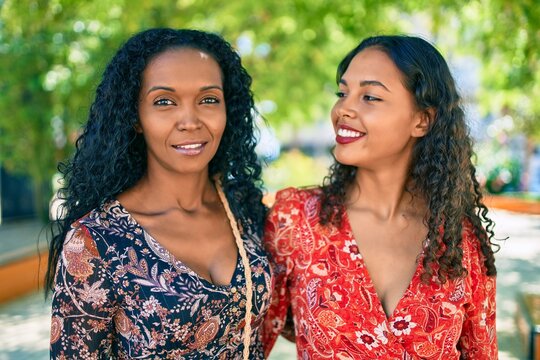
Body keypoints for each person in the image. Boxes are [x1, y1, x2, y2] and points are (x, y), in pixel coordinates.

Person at [263, 35, 498, 359]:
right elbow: (247, 340)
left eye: (370, 96)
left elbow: (482, 354)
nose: (343, 108)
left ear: (422, 120)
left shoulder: (460, 242)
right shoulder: (297, 220)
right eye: (343, 93)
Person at [45, 28, 271, 359]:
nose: (190, 121)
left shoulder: (244, 206)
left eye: (209, 99)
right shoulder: (97, 241)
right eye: (164, 102)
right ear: (136, 117)